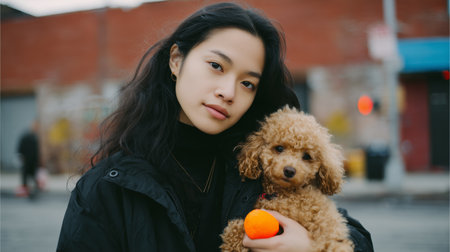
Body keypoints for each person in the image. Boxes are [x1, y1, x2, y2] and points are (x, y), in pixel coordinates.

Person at [57, 2, 373, 251]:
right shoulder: (107, 188)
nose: (229, 92)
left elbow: (354, 234)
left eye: (248, 83)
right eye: (216, 66)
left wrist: (311, 248)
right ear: (177, 60)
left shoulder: (262, 169)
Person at [16, 121, 40, 197]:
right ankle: (25, 190)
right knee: (25, 176)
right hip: (26, 160)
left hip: (33, 161)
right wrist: (21, 156)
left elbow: (36, 151)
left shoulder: (35, 137)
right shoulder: (25, 136)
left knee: (33, 175)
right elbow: (20, 147)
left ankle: (34, 190)